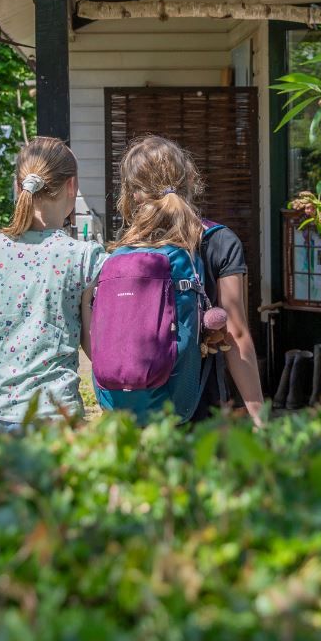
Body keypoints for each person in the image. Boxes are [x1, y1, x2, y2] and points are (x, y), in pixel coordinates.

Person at [95, 136, 266, 426]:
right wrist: (261, 418)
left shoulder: (123, 252)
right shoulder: (219, 240)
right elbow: (236, 335)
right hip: (198, 406)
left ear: (133, 194)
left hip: (130, 414)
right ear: (189, 178)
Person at [0, 137, 104, 432]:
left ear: (18, 187)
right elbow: (93, 348)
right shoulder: (83, 257)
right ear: (71, 188)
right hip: (57, 414)